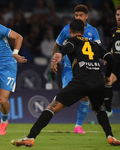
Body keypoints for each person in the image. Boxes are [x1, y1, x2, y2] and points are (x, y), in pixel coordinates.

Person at [10, 19, 120, 147]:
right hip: (98, 81)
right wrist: (107, 77)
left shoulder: (71, 40)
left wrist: (60, 54)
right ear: (83, 32)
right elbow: (110, 59)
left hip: (81, 81)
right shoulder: (94, 44)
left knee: (51, 107)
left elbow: (68, 47)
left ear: (70, 31)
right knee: (98, 109)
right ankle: (110, 136)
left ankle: (30, 137)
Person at [52, 4, 101, 134]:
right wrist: (54, 61)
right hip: (69, 69)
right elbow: (56, 45)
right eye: (76, 15)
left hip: (85, 70)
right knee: (66, 95)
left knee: (85, 97)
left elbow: (98, 50)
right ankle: (49, 111)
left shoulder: (93, 31)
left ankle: (78, 126)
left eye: (81, 15)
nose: (78, 17)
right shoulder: (67, 29)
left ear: (86, 16)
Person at [104, 5, 120, 117]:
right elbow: (111, 45)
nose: (119, 17)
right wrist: (106, 55)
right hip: (116, 65)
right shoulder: (113, 31)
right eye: (118, 15)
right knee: (108, 82)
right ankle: (108, 110)